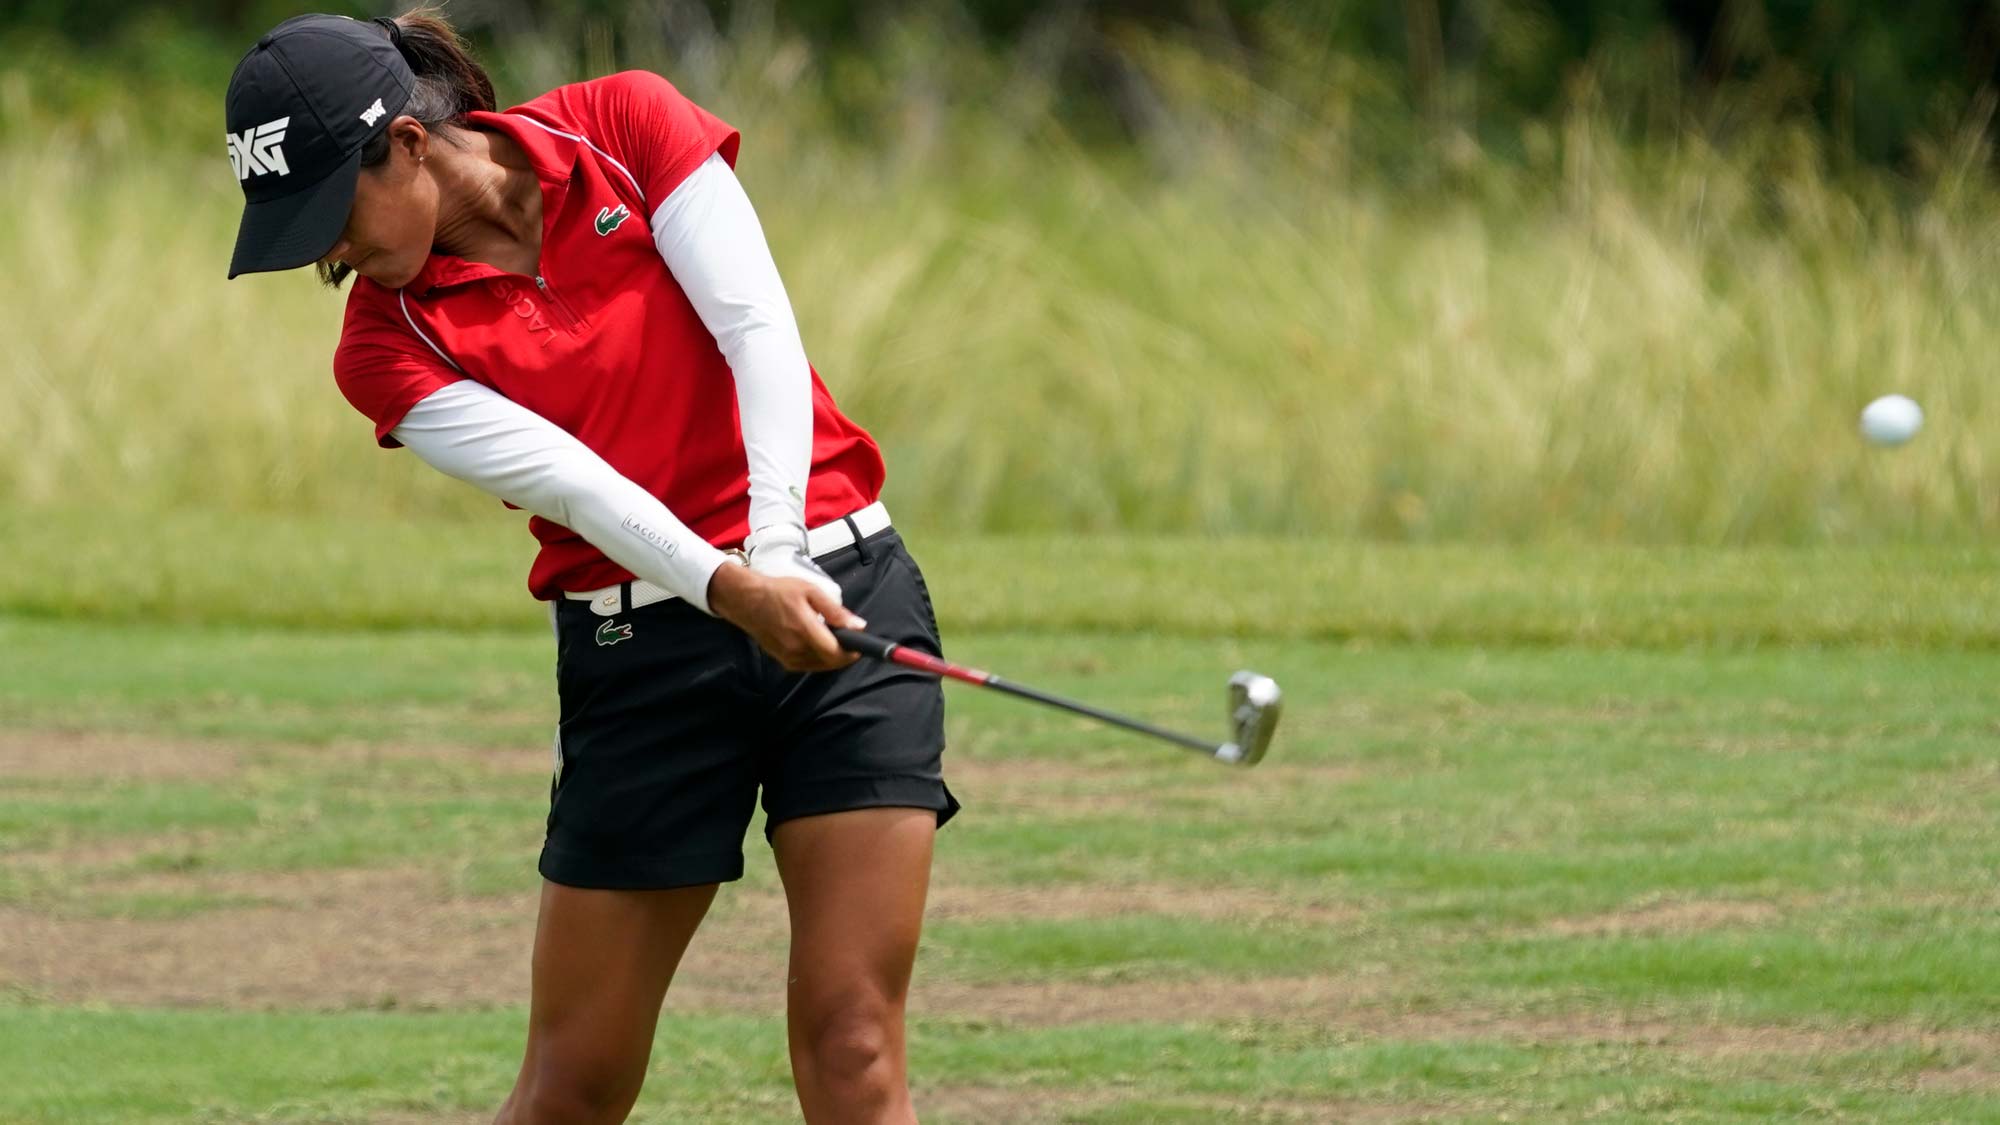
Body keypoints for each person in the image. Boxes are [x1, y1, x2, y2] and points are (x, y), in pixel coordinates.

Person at [223, 11, 956, 1124]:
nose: (326, 252)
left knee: (853, 1041)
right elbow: (578, 487)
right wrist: (734, 589)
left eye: (329, 212)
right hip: (644, 658)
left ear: (412, 148)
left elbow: (755, 328)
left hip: (839, 590)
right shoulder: (384, 349)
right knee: (574, 1083)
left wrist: (776, 555)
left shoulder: (625, 123)